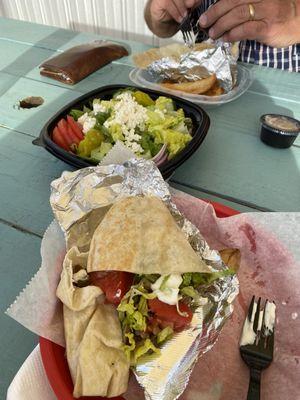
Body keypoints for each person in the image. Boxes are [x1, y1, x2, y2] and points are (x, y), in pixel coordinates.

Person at [145, 0, 300, 72]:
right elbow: (160, 27)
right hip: (203, 92)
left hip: (285, 105)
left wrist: (295, 12)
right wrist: (160, 14)